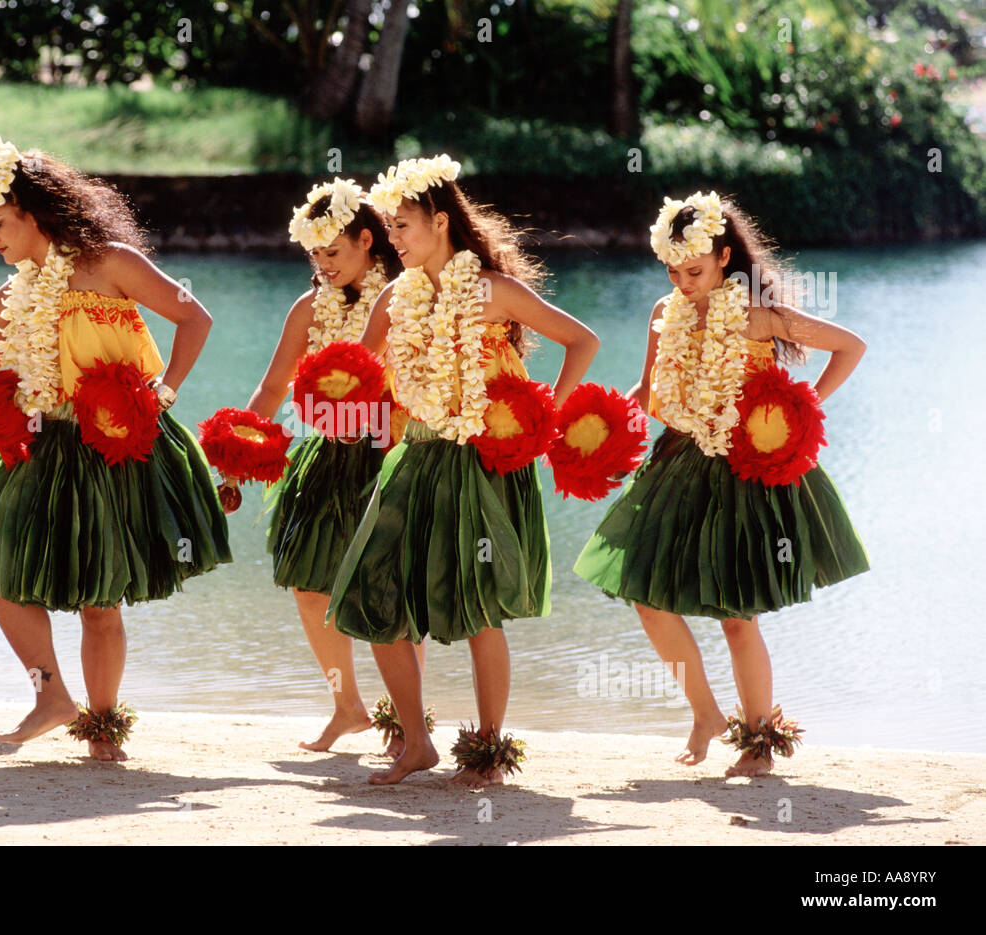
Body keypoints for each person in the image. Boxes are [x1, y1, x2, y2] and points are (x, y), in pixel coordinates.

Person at [0, 139, 231, 761]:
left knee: (99, 599)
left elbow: (195, 318)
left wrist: (162, 394)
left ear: (35, 214)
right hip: (40, 446)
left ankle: (103, 727)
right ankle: (52, 695)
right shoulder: (11, 295)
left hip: (115, 442)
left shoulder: (110, 261)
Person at [573, 191, 869, 777]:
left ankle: (758, 742)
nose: (682, 282)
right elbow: (647, 390)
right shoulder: (663, 313)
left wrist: (797, 416)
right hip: (678, 464)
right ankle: (705, 714)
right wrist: (603, 436)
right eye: (672, 270)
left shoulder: (757, 315)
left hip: (744, 471)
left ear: (725, 257)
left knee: (738, 616)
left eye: (695, 270)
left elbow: (849, 345)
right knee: (647, 599)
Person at [328, 155, 600, 786]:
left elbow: (580, 340)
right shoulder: (397, 295)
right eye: (388, 229)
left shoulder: (492, 290)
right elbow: (357, 367)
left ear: (441, 221)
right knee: (372, 594)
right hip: (417, 455)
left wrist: (544, 415)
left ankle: (487, 749)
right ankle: (417, 742)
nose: (392, 240)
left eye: (402, 227)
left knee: (479, 608)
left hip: (482, 461)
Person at [224, 178, 414, 751]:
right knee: (310, 588)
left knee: (387, 591)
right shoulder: (310, 307)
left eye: (334, 252)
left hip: (390, 452)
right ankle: (347, 706)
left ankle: (405, 717)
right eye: (315, 255)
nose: (323, 264)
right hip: (326, 454)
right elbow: (275, 384)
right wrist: (237, 453)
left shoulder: (408, 297)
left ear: (366, 241)